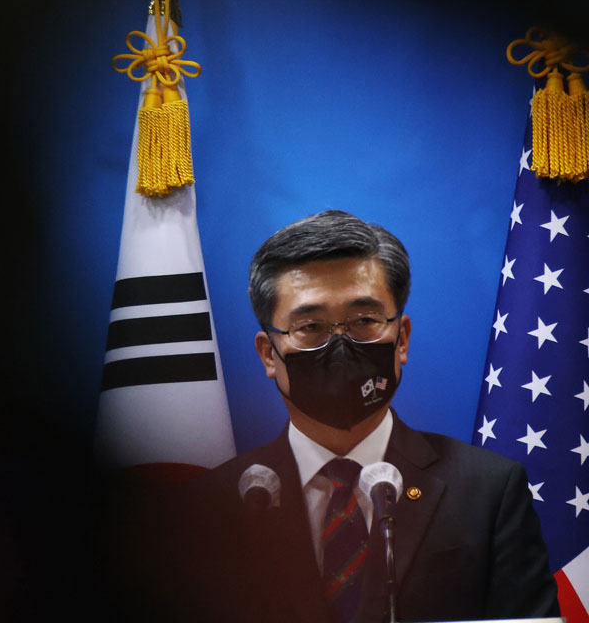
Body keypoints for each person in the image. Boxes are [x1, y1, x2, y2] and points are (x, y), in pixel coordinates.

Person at [165, 209, 557, 623]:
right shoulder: (205, 509)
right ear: (269, 354)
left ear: (401, 339)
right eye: (311, 327)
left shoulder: (490, 491)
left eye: (365, 321)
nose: (340, 344)